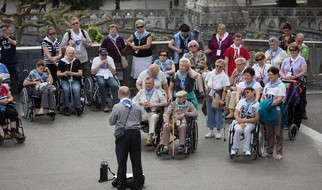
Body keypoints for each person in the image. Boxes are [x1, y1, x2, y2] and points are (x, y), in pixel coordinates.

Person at [109, 86, 144, 190]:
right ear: (129, 94)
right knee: (136, 159)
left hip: (123, 134)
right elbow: (140, 118)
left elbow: (111, 122)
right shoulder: (137, 106)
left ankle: (121, 184)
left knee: (122, 159)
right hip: (136, 133)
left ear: (119, 95)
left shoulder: (117, 106)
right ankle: (137, 184)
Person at [159, 90, 198, 154]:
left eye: (181, 97)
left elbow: (195, 113)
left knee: (182, 126)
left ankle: (181, 145)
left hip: (183, 123)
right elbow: (167, 113)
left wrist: (186, 114)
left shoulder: (189, 104)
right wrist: (166, 121)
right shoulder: (173, 104)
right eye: (178, 97)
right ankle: (165, 146)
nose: (178, 99)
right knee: (166, 126)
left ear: (185, 97)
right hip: (173, 122)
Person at [133, 77, 168, 146]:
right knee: (132, 116)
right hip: (141, 114)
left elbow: (165, 103)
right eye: (146, 83)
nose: (147, 85)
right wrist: (141, 102)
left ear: (153, 84)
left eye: (149, 83)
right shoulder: (141, 92)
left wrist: (153, 104)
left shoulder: (158, 92)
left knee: (154, 117)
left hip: (152, 113)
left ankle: (150, 136)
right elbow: (133, 101)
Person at [279, 43, 307, 129]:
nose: (292, 52)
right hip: (287, 82)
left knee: (297, 103)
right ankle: (288, 122)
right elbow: (281, 70)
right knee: (288, 102)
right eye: (290, 50)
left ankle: (297, 123)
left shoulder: (301, 59)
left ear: (297, 51)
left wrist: (294, 76)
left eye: (294, 50)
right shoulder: (286, 60)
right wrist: (284, 76)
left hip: (297, 82)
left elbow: (303, 71)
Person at [260, 66, 286, 160]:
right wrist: (263, 103)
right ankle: (269, 151)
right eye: (268, 75)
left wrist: (268, 105)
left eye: (271, 75)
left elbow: (279, 99)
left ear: (276, 75)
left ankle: (279, 152)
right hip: (267, 110)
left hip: (277, 110)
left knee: (278, 132)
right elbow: (263, 96)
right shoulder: (267, 85)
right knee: (269, 132)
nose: (269, 76)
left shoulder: (281, 85)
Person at [204, 59, 230, 139]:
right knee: (209, 113)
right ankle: (211, 130)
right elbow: (205, 81)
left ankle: (218, 131)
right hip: (210, 94)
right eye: (217, 66)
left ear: (223, 67)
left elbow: (225, 88)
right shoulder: (210, 73)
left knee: (218, 114)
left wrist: (222, 99)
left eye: (220, 66)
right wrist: (206, 87)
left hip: (218, 95)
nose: (218, 68)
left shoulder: (224, 76)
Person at [231, 87, 259, 156]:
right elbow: (236, 113)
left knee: (247, 129)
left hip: (250, 122)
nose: (246, 94)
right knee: (238, 129)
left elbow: (256, 118)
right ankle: (234, 148)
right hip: (240, 121)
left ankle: (247, 149)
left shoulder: (257, 104)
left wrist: (245, 120)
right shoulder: (242, 101)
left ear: (253, 92)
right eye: (245, 93)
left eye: (248, 92)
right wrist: (240, 121)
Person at [288, 33, 309, 119]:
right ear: (295, 39)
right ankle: (291, 112)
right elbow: (288, 56)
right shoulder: (291, 46)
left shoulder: (305, 48)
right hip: (290, 76)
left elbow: (304, 58)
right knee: (290, 93)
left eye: (302, 41)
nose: (300, 42)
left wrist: (299, 50)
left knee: (302, 94)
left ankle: (302, 111)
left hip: (301, 76)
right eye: (298, 41)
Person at [91, 48, 119, 112]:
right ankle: (104, 104)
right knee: (101, 84)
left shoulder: (110, 59)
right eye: (102, 55)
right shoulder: (95, 59)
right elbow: (93, 72)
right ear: (99, 55)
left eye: (105, 55)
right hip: (99, 75)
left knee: (115, 85)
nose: (104, 57)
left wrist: (108, 64)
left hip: (109, 75)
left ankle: (115, 104)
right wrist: (100, 64)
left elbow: (114, 72)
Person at [57, 46, 83, 116]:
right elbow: (58, 73)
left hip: (74, 80)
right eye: (69, 53)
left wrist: (73, 73)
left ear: (74, 54)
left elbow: (80, 73)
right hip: (65, 80)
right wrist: (64, 73)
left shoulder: (77, 61)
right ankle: (66, 107)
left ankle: (78, 107)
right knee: (66, 89)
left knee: (76, 89)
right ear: (66, 53)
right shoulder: (62, 62)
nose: (71, 55)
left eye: (72, 53)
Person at [0, 24, 23, 92]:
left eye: (5, 30)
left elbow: (15, 43)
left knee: (18, 77)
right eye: (2, 30)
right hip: (4, 62)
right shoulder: (1, 39)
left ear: (8, 30)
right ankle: (7, 93)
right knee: (6, 79)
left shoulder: (12, 37)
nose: (4, 31)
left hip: (13, 61)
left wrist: (7, 38)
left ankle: (21, 92)